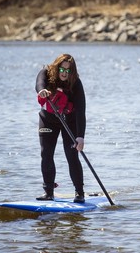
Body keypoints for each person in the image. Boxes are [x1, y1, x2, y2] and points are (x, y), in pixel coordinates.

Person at [35, 54, 86, 203]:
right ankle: (49, 192)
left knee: (71, 156)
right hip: (48, 120)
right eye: (61, 69)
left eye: (68, 71)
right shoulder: (45, 72)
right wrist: (41, 90)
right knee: (46, 154)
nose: (64, 73)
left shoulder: (76, 84)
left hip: (69, 121)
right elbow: (39, 83)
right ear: (56, 68)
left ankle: (79, 192)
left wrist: (80, 137)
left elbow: (81, 112)